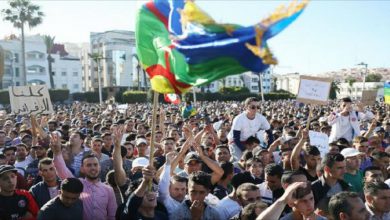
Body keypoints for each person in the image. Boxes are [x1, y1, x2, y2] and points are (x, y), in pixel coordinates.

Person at [51, 133, 117, 220]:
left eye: (95, 165)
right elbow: (61, 169)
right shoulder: (78, 184)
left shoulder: (108, 189)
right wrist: (57, 152)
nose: (93, 168)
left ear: (99, 167)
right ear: (82, 168)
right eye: (89, 165)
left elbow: (112, 216)